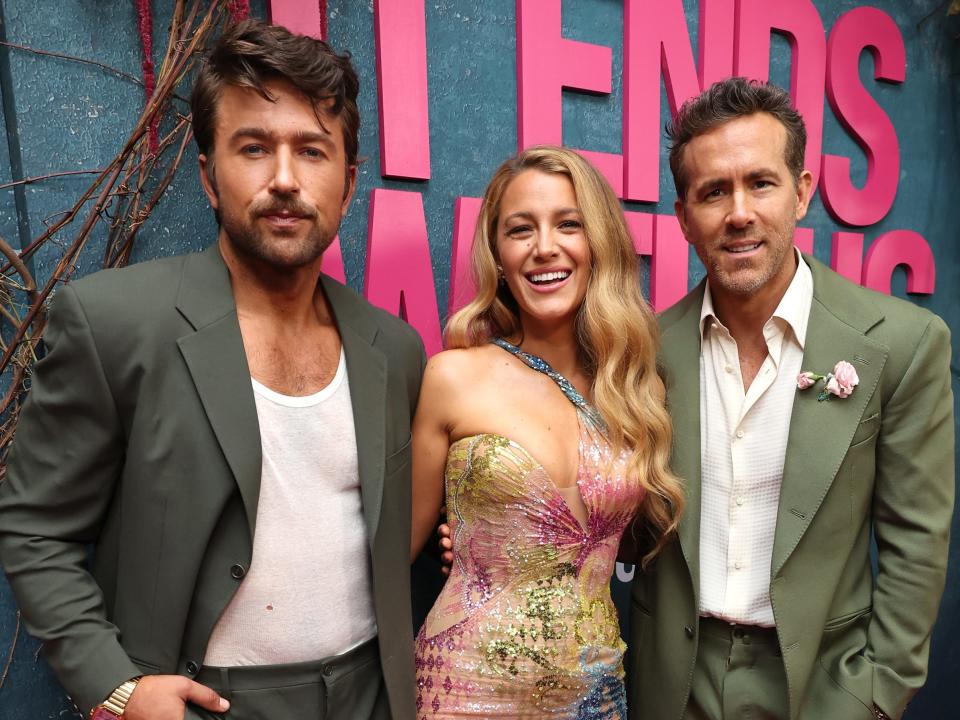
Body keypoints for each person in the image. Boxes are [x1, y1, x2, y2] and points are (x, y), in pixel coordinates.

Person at [0, 20, 424, 720]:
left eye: (311, 151)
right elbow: (33, 527)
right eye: (253, 148)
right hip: (202, 701)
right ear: (208, 176)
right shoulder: (112, 323)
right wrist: (116, 687)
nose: (284, 179)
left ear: (347, 185)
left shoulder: (396, 349)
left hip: (368, 696)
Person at [626, 78, 954, 720]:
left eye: (761, 182)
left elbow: (917, 541)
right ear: (684, 216)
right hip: (671, 683)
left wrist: (876, 694)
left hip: (822, 687)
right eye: (713, 191)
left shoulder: (903, 344)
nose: (739, 211)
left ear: (802, 192)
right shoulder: (645, 351)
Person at [409, 145, 684, 718]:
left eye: (568, 224)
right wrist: (463, 533)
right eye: (520, 230)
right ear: (498, 255)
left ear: (599, 244)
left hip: (595, 695)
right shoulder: (454, 376)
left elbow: (629, 542)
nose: (544, 248)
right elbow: (392, 556)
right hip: (462, 691)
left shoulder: (639, 394)